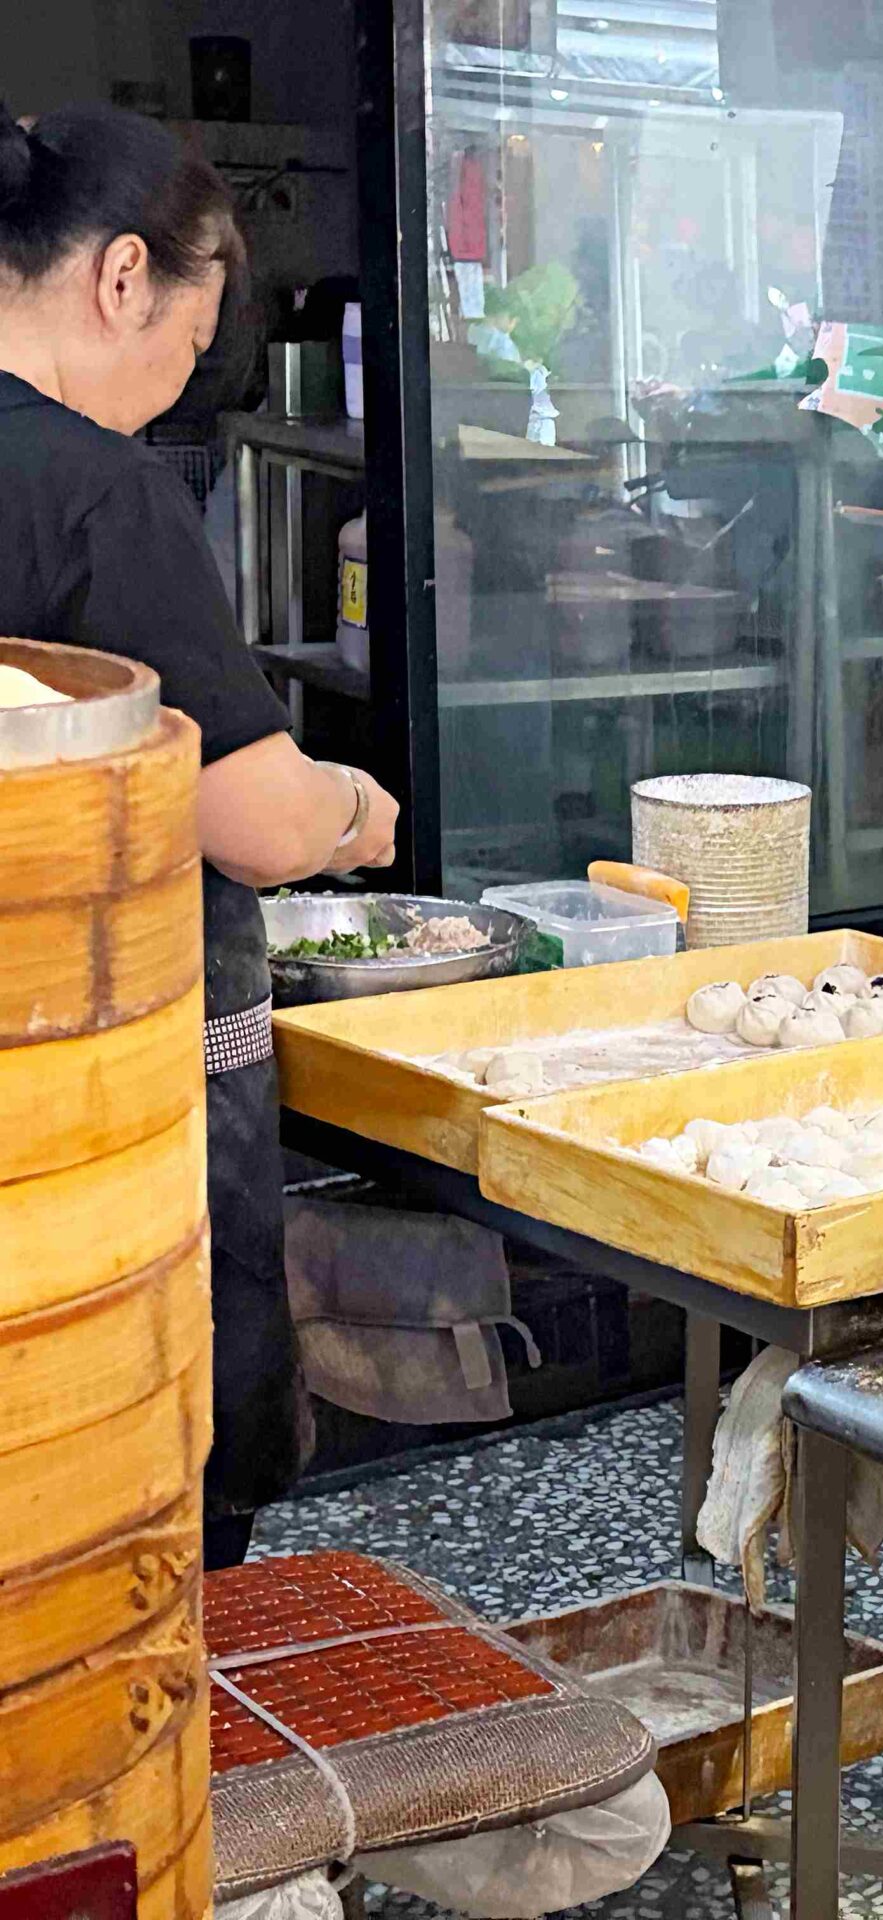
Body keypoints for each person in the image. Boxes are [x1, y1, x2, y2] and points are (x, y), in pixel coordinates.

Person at [0, 104, 400, 1567]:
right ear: (120, 281)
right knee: (142, 1512)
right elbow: (257, 822)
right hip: (97, 1086)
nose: (177, 388)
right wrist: (358, 814)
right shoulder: (97, 489)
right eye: (188, 341)